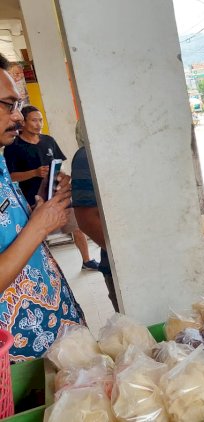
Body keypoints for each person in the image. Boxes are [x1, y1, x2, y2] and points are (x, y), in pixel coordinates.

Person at [71, 123, 204, 311]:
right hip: (132, 274)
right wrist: (143, 261)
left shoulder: (163, 146)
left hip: (184, 261)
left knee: (199, 329)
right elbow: (87, 219)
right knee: (147, 335)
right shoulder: (87, 155)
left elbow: (196, 209)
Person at [0, 53, 85, 362]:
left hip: (54, 343)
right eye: (9, 105)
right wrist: (39, 226)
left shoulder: (0, 158)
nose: (19, 117)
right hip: (18, 365)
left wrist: (43, 202)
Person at [3, 105, 100, 271]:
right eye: (34, 120)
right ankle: (38, 270)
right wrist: (34, 173)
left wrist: (61, 176)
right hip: (32, 200)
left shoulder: (49, 141)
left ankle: (86, 260)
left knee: (76, 228)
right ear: (24, 122)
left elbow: (58, 166)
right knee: (36, 236)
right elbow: (10, 177)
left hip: (57, 194)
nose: (38, 124)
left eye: (40, 120)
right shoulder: (13, 146)